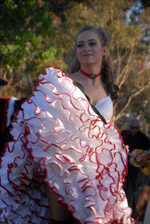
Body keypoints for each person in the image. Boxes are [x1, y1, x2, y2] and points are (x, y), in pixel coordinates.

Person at [0, 25, 135, 223]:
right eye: (80, 45)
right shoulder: (64, 84)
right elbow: (44, 123)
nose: (86, 48)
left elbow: (108, 130)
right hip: (64, 168)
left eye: (92, 43)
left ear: (104, 49)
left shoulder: (111, 89)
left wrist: (119, 147)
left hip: (96, 170)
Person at [121, 117, 150, 218]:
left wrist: (142, 155)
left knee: (131, 188)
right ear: (129, 127)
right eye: (132, 127)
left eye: (136, 128)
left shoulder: (141, 137)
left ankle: (130, 212)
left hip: (134, 169)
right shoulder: (124, 134)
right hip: (122, 165)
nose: (134, 130)